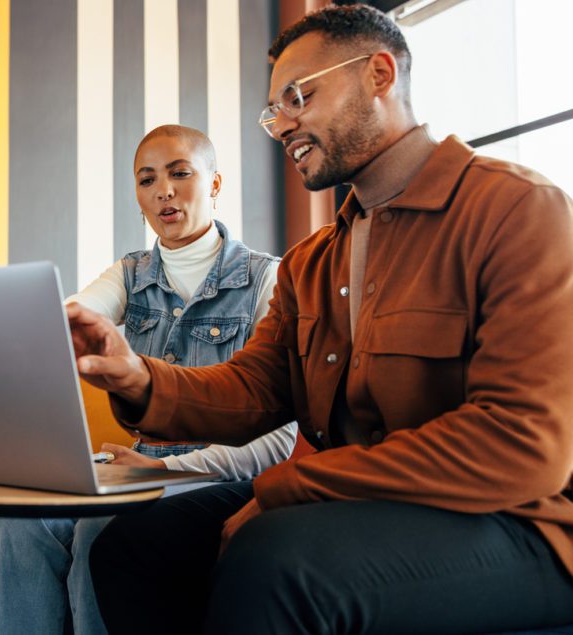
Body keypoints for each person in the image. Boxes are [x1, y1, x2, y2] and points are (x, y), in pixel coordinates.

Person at [71, 6, 573, 634]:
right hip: (359, 504)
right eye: (273, 110)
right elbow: (254, 389)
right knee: (132, 546)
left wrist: (289, 488)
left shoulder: (519, 209)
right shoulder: (313, 260)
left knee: (276, 563)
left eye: (298, 98)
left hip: (517, 522)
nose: (281, 125)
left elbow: (522, 446)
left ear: (380, 75)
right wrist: (136, 377)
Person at [0, 124, 298, 634]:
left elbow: (276, 442)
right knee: (19, 522)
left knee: (98, 532)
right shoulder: (129, 274)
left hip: (214, 475)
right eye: (147, 180)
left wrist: (164, 469)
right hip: (131, 471)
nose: (163, 192)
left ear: (215, 184)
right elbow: (69, 318)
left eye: (180, 174)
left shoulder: (269, 278)